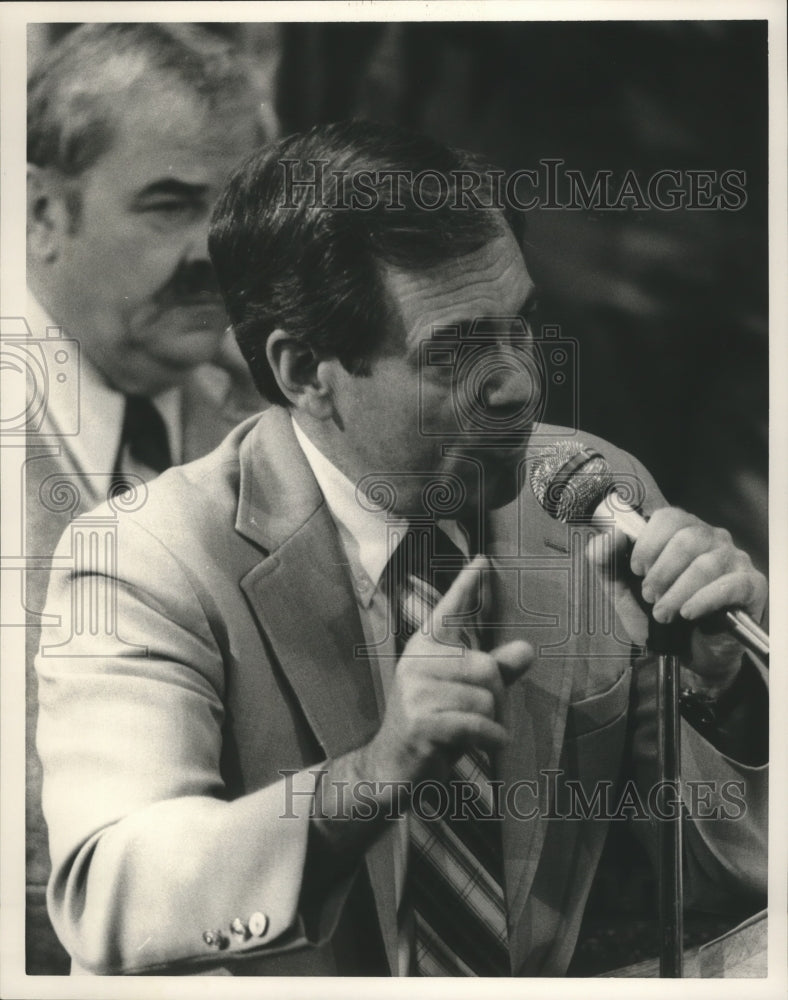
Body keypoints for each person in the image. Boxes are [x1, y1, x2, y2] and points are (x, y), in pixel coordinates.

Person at [35, 121, 768, 977]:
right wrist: (375, 774)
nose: (519, 382)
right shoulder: (145, 558)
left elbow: (733, 878)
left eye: (521, 325)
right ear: (308, 372)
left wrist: (717, 686)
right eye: (456, 351)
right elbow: (110, 895)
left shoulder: (590, 493)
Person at [24, 23, 269, 974]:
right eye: (170, 206)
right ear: (45, 213)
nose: (215, 250)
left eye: (237, 208)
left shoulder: (277, 419)